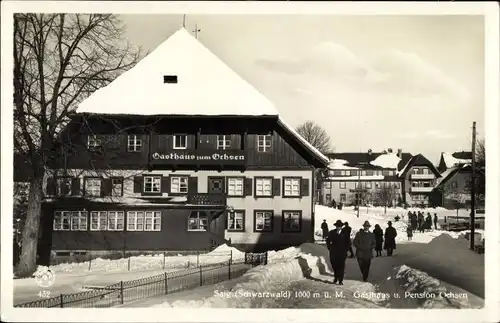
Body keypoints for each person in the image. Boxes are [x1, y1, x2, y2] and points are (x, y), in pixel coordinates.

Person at [326, 220, 350, 285]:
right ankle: (336, 276)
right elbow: (328, 241)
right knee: (334, 266)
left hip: (342, 253)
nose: (338, 227)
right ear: (336, 226)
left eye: (339, 226)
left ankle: (340, 280)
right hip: (333, 253)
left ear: (341, 226)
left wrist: (345, 250)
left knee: (341, 266)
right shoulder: (332, 232)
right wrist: (330, 248)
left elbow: (348, 243)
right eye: (337, 226)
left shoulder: (345, 233)